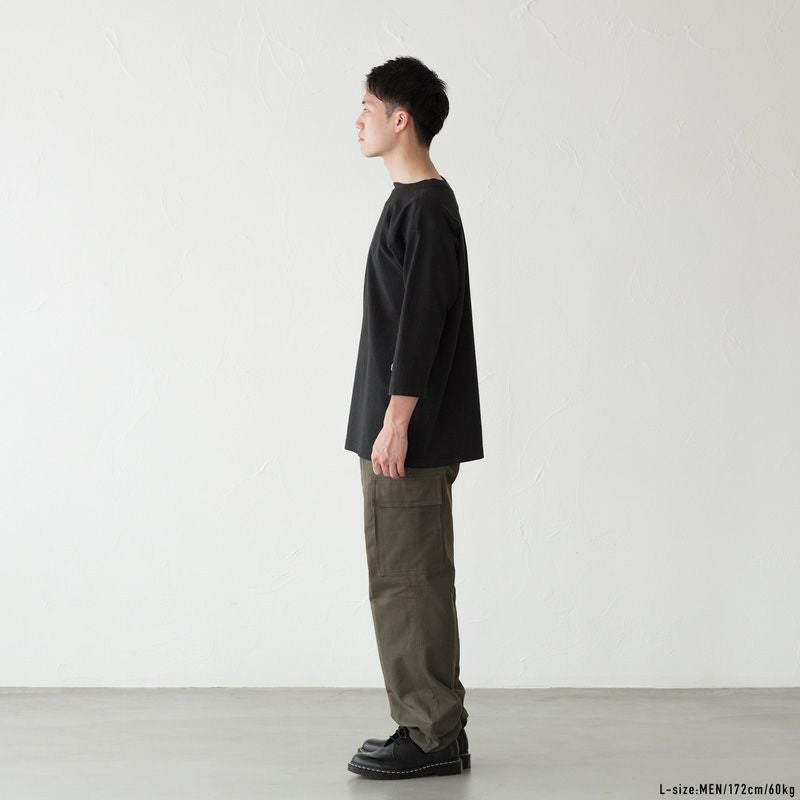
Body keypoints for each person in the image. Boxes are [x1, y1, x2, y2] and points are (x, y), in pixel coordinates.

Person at [344, 56, 484, 780]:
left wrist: (396, 422)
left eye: (368, 108)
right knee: (404, 575)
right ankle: (430, 726)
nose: (358, 121)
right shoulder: (411, 202)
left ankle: (431, 735)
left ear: (402, 119)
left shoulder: (426, 207)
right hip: (398, 429)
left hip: (408, 434)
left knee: (409, 580)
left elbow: (423, 324)